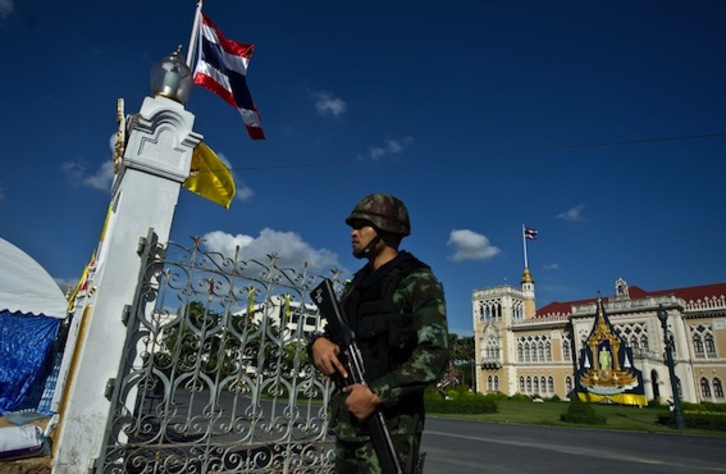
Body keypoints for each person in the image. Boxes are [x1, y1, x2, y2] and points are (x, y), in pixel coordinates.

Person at [309, 193, 449, 473]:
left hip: (391, 427)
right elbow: (333, 336)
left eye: (362, 225)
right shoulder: (356, 285)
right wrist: (318, 344)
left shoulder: (417, 281)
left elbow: (434, 355)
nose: (353, 233)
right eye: (353, 226)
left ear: (386, 231)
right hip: (349, 423)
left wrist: (376, 393)